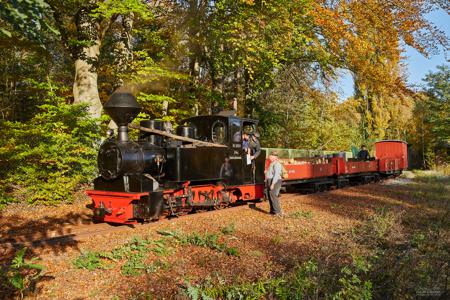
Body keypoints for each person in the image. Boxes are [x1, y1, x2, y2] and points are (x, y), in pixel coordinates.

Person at [265, 151, 283, 216]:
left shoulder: (277, 164)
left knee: (273, 196)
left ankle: (278, 212)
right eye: (270, 156)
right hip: (270, 180)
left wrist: (272, 184)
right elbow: (271, 173)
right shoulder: (272, 163)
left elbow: (276, 175)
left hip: (275, 181)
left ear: (275, 157)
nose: (269, 157)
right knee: (270, 196)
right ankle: (272, 211)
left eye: (271, 156)